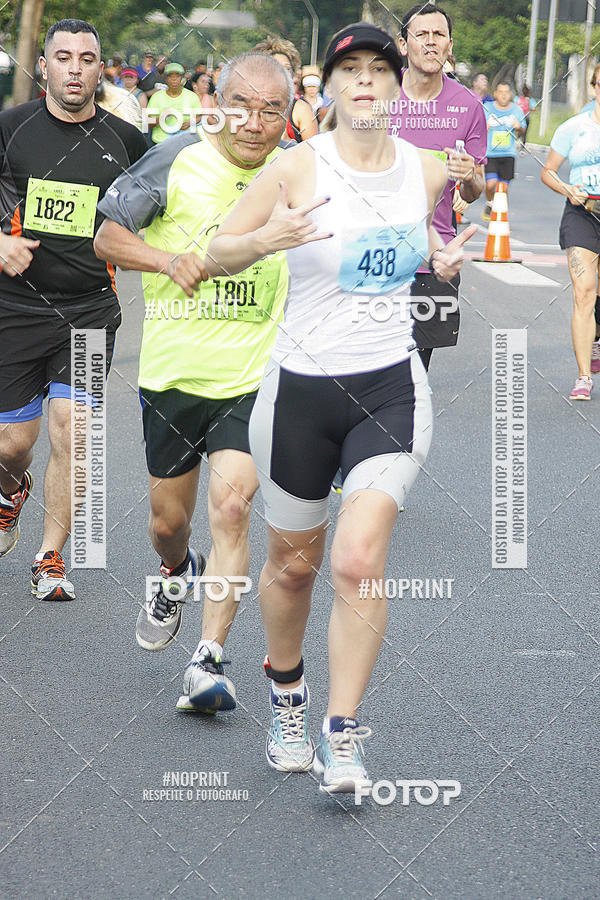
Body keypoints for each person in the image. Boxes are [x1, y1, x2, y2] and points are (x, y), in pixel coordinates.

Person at [206, 23, 475, 792]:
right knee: (293, 571)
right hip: (299, 390)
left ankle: (343, 733)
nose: (365, 81)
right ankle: (288, 696)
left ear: (397, 88)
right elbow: (217, 248)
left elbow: (423, 241)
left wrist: (443, 258)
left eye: (378, 70)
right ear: (328, 87)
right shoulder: (294, 167)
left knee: (358, 560)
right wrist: (268, 239)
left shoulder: (424, 172)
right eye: (349, 69)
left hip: (390, 384)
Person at [94, 52, 291, 711]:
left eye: (272, 110)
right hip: (174, 374)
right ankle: (176, 571)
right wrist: (166, 258)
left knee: (232, 510)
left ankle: (208, 663)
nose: (255, 123)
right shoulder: (178, 156)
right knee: (167, 521)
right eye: (242, 105)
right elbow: (107, 235)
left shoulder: (298, 171)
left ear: (288, 117)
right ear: (216, 99)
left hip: (254, 375)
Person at [0, 19, 147, 597]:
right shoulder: (10, 129)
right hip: (15, 307)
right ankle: (11, 488)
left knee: (74, 429)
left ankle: (50, 556)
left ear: (100, 67)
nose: (75, 68)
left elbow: (163, 203)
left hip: (89, 310)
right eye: (63, 57)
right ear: (45, 66)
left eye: (87, 58)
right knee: (13, 442)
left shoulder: (126, 141)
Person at [389, 2, 486, 371]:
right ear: (403, 44)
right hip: (369, 258)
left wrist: (470, 176)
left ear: (449, 46)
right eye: (421, 34)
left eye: (439, 35)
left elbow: (474, 193)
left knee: (411, 382)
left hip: (432, 261)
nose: (430, 42)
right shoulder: (374, 97)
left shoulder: (468, 106)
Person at [541, 62, 600, 401]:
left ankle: (595, 339)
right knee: (583, 292)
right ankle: (582, 377)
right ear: (594, 87)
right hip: (582, 213)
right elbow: (548, 171)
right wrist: (567, 189)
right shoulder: (573, 128)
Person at [252, 37, 318, 142]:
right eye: (276, 67)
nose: (282, 73)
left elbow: (314, 153)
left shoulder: (300, 109)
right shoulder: (252, 105)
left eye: (287, 69)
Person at [482, 82, 526, 221]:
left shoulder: (516, 110)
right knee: (490, 184)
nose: (504, 95)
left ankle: (499, 216)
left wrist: (519, 127)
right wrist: (484, 127)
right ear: (495, 94)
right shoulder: (487, 108)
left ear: (510, 94)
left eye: (506, 92)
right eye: (501, 92)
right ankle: (490, 203)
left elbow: (523, 129)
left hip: (508, 153)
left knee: (503, 189)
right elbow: (477, 126)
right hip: (491, 153)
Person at [145, 62, 201, 143]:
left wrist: (190, 123)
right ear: (166, 79)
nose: (174, 80)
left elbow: (200, 117)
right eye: (170, 77)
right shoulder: (156, 97)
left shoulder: (192, 96)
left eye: (177, 77)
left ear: (182, 78)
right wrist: (161, 118)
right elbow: (146, 124)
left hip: (185, 143)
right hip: (161, 143)